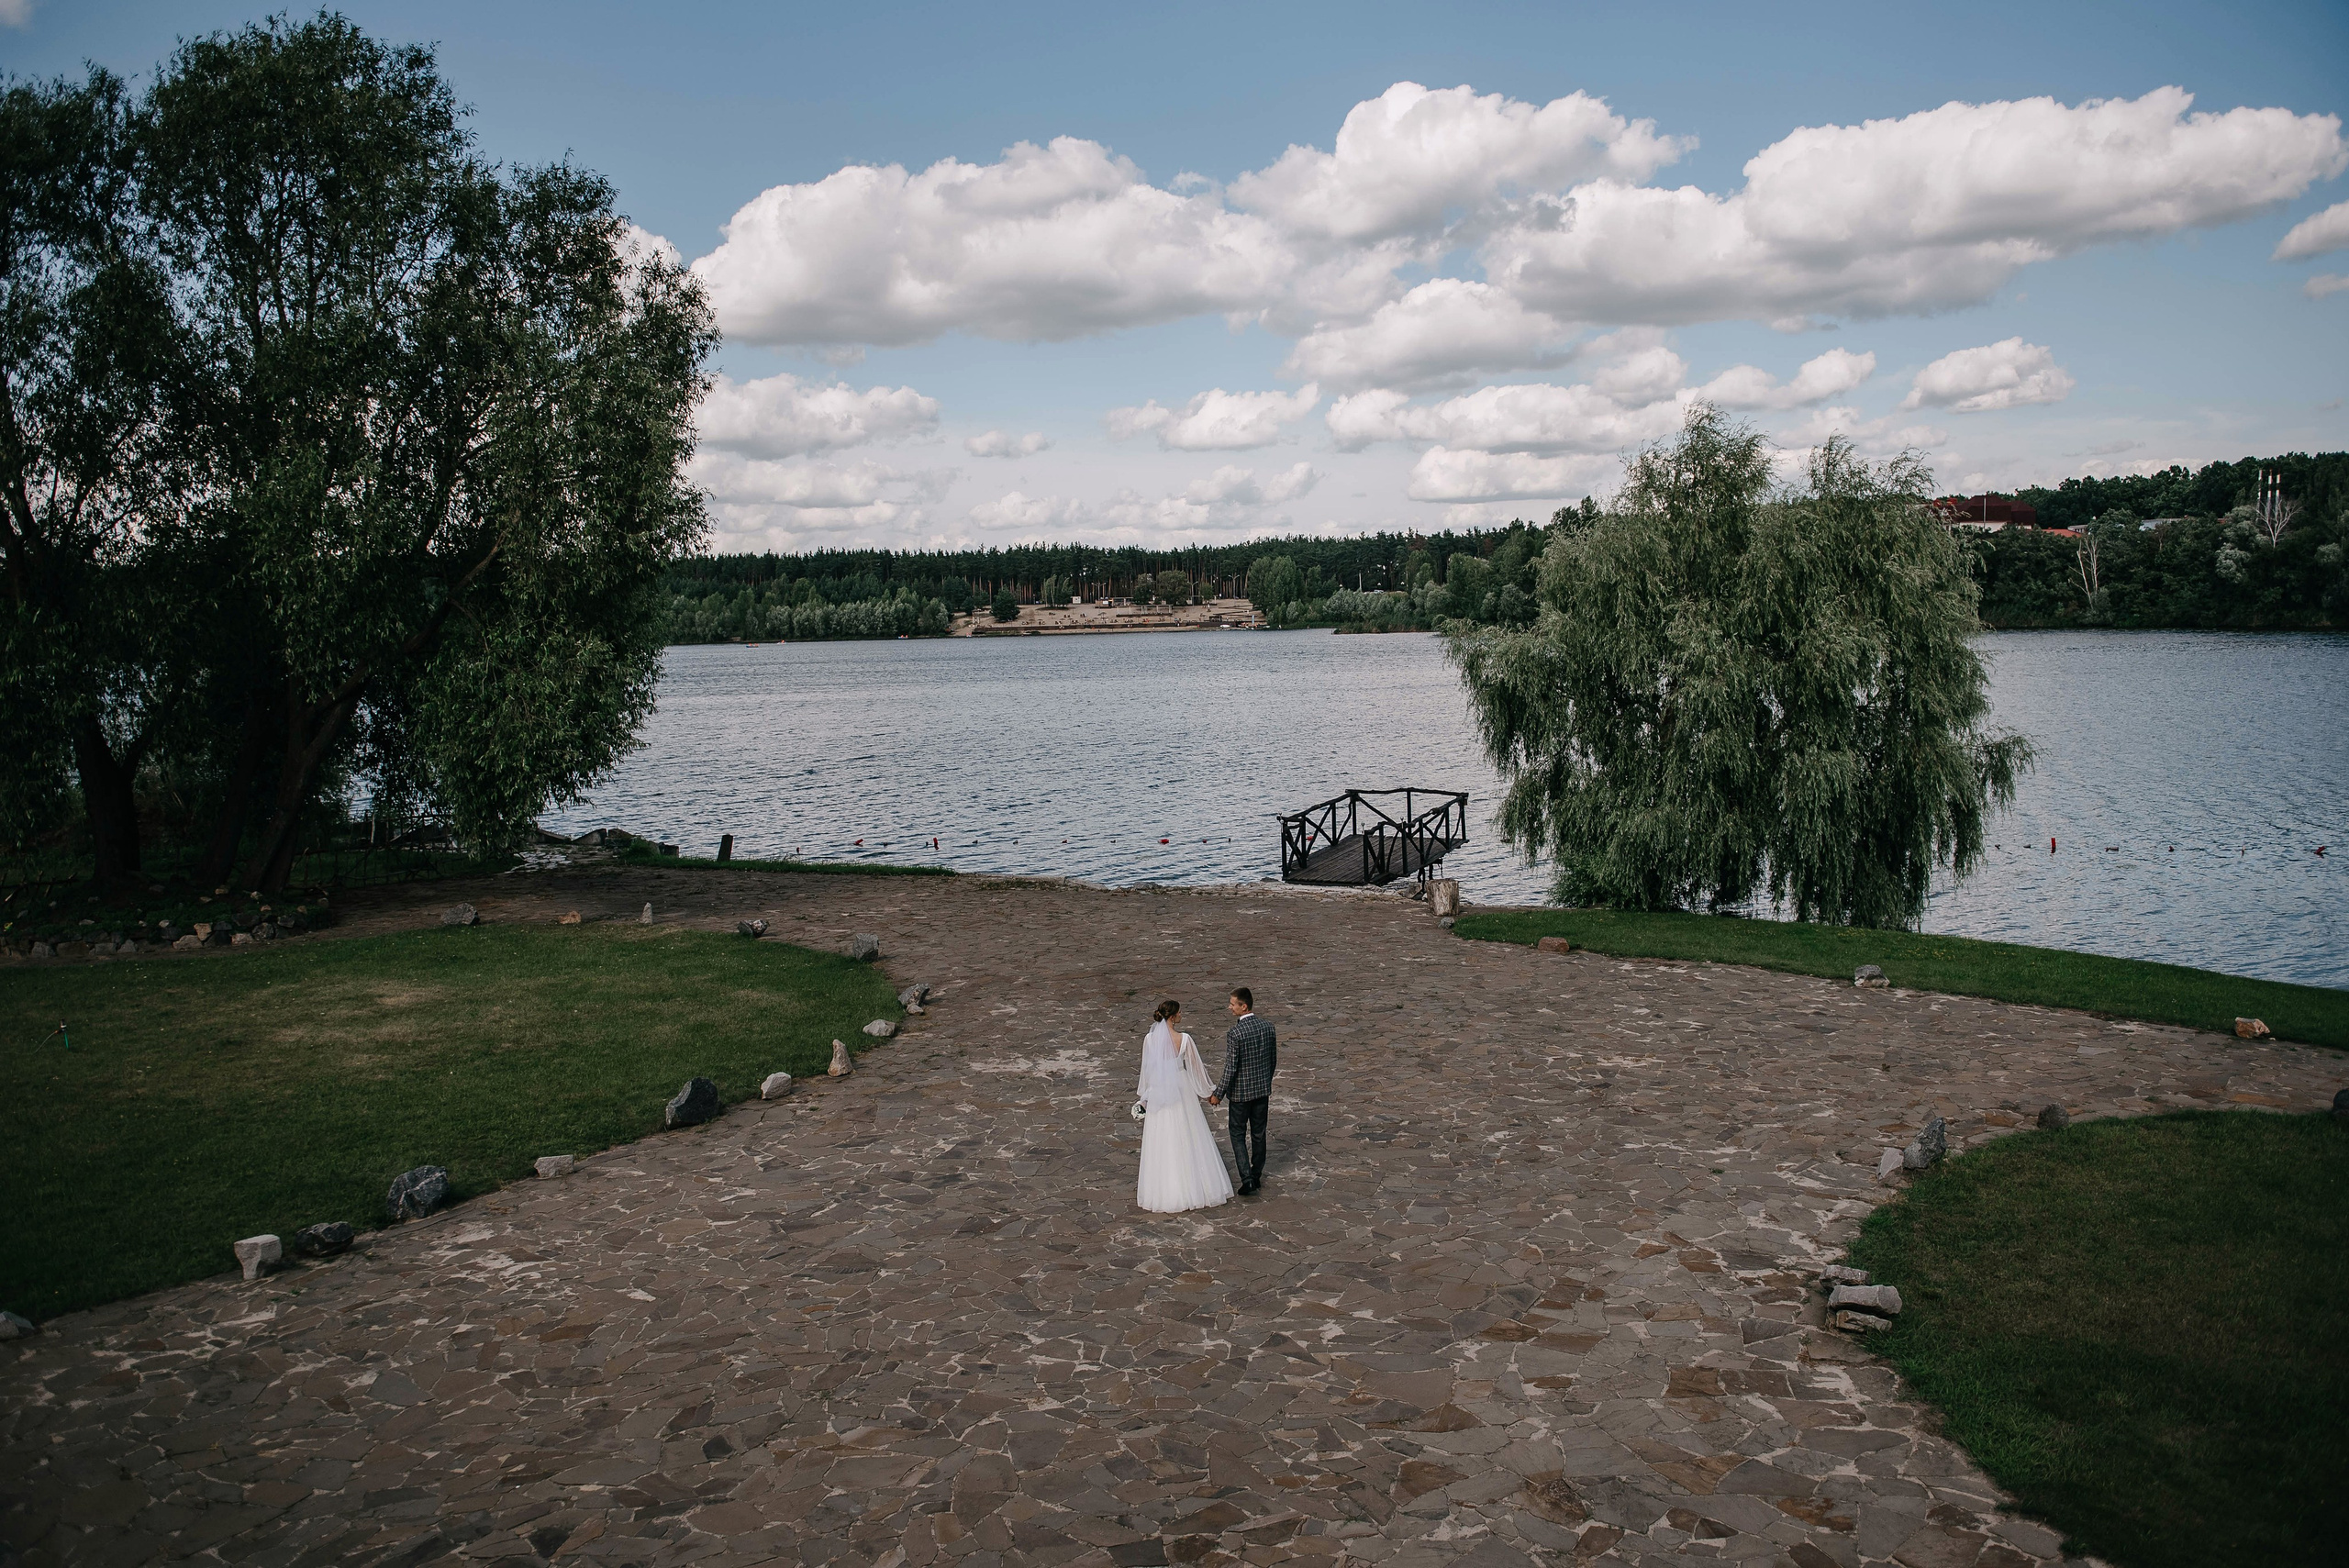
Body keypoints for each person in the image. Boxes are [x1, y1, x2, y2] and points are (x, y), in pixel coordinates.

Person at [1134, 1000, 1234, 1213]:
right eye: (1180, 1012)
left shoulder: (1149, 1040)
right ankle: (1193, 1186)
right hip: (1181, 1089)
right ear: (1172, 1017)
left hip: (1160, 1090)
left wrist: (1145, 1097)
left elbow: (1147, 1070)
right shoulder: (1185, 1039)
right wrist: (1210, 1093)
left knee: (1162, 1137)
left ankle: (1164, 1191)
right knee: (1188, 1134)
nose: (1182, 1015)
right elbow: (1197, 1070)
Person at [1208, 986, 1276, 1195]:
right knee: (1259, 1133)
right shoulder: (1268, 1027)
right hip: (1261, 1092)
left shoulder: (1235, 1033)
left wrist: (1218, 1093)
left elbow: (1231, 1067)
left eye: (1232, 1004)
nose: (1230, 1007)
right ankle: (1256, 1175)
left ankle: (1246, 1178)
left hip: (1240, 1095)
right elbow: (1272, 1060)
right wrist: (1265, 1082)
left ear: (1243, 1006)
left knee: (1237, 1134)